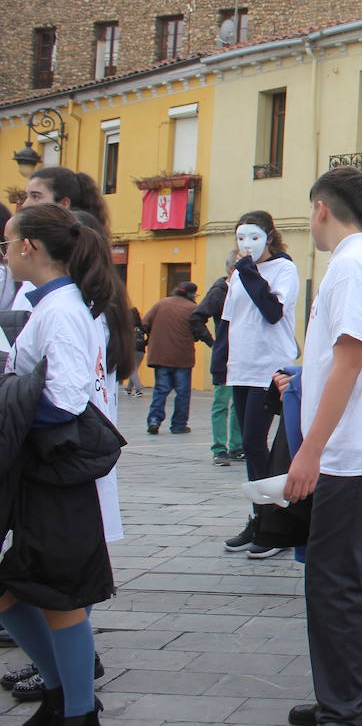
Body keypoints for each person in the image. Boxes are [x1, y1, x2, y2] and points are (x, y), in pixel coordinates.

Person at [283, 167, 362, 726]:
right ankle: (353, 697)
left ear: (320, 209)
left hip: (351, 450)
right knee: (356, 576)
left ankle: (347, 708)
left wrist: (310, 450)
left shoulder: (351, 267)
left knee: (333, 582)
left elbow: (350, 357)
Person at [0, 203, 134, 726]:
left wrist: (12, 415)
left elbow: (67, 398)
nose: (6, 253)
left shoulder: (61, 311)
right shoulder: (56, 305)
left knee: (56, 592)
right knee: (19, 586)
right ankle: (62, 696)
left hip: (54, 471)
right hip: (42, 471)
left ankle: (77, 710)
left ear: (30, 247)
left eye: (8, 243)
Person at [222, 211, 300, 560]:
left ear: (269, 237)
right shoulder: (239, 275)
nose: (247, 245)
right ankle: (258, 518)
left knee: (258, 442)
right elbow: (229, 320)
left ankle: (275, 524)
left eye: (254, 237)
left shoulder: (284, 269)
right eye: (241, 238)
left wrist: (249, 272)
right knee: (250, 446)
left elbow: (272, 311)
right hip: (242, 366)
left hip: (269, 368)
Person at [191, 252, 243, 466]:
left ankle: (237, 447)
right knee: (222, 402)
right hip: (225, 356)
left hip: (244, 356)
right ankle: (219, 448)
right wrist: (213, 342)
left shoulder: (246, 290)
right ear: (232, 270)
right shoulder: (219, 292)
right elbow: (196, 318)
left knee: (240, 403)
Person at [141, 282, 199, 435]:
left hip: (160, 355)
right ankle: (178, 425)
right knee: (182, 393)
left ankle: (154, 420)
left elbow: (145, 323)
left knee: (160, 390)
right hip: (182, 357)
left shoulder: (161, 303)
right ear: (191, 294)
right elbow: (197, 330)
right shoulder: (192, 308)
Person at [124, 307, 146, 397]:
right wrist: (145, 343)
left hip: (132, 349)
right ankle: (129, 389)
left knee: (132, 369)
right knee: (134, 369)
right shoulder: (142, 326)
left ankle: (138, 390)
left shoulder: (128, 326)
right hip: (141, 350)